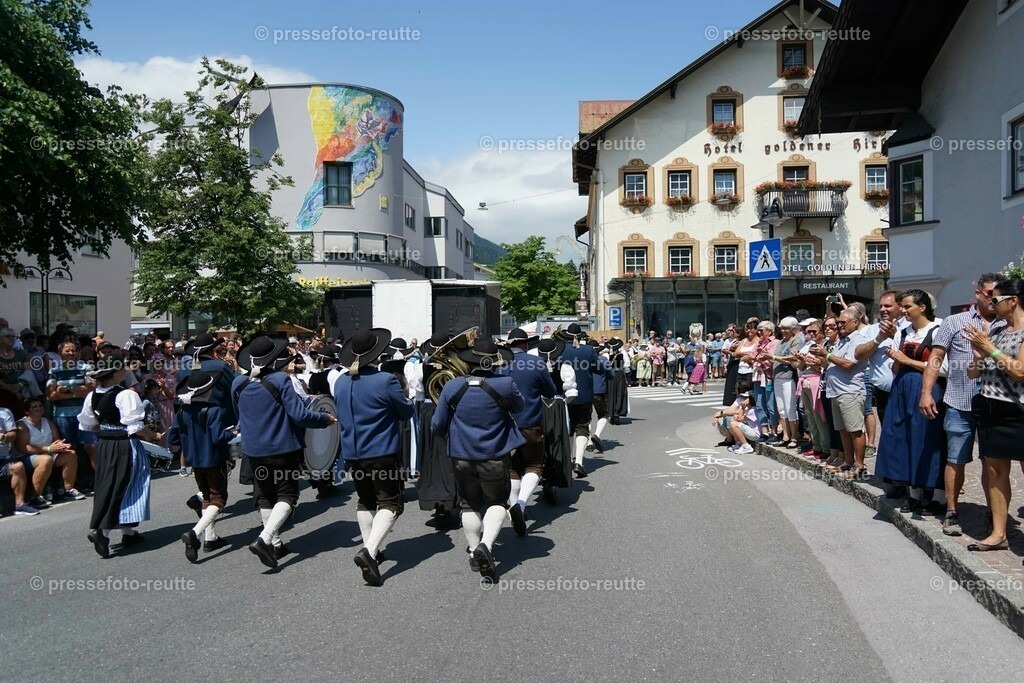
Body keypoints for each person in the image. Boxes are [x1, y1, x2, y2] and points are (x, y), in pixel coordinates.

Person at [232, 336, 337, 569]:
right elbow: (300, 415)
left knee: (265, 496)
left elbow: (238, 414)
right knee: (288, 496)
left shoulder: (237, 383)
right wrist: (324, 419)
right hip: (281, 448)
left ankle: (276, 545)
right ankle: (265, 539)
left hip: (253, 450)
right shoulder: (280, 380)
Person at [920, 274, 1006, 536]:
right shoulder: (955, 322)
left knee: (993, 463)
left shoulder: (1008, 323)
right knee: (956, 459)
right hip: (960, 401)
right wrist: (926, 392)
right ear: (978, 293)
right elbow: (936, 357)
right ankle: (952, 511)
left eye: (999, 295)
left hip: (996, 404)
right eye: (990, 294)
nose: (995, 299)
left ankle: (993, 515)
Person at [432, 338, 524, 580]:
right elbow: (520, 408)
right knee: (497, 502)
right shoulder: (506, 384)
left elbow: (437, 425)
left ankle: (474, 551)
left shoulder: (452, 386)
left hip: (461, 454)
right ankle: (486, 545)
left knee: (468, 504)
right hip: (495, 453)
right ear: (494, 362)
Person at [334, 328, 415, 586]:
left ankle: (373, 549)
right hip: (381, 452)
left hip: (353, 452)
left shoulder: (341, 381)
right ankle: (369, 551)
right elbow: (406, 412)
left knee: (366, 500)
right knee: (391, 503)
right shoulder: (385, 380)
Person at [78, 353, 164, 558]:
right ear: (116, 372)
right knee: (124, 485)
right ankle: (103, 531)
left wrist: (108, 428)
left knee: (112, 484)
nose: (126, 371)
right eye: (124, 368)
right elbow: (135, 427)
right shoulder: (126, 395)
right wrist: (153, 436)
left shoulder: (93, 395)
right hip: (124, 445)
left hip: (105, 445)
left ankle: (128, 532)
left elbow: (89, 424)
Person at [964, 278, 1024, 553]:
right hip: (991, 407)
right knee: (994, 471)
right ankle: (999, 533)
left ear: (1013, 301)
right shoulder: (996, 329)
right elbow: (973, 373)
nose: (991, 303)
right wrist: (978, 355)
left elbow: (1020, 372)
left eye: (996, 299)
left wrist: (989, 348)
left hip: (1017, 410)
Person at [874, 290, 947, 514]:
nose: (903, 311)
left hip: (928, 387)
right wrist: (896, 360)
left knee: (928, 438)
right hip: (902, 389)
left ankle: (938, 496)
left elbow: (943, 368)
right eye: (903, 307)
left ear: (922, 307)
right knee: (903, 437)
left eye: (907, 307)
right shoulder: (904, 332)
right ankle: (913, 493)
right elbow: (896, 368)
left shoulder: (938, 329)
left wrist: (907, 360)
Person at [169, 371, 236, 562]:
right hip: (214, 460)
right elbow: (218, 437)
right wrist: (231, 434)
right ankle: (195, 532)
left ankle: (210, 537)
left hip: (195, 462)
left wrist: (189, 439)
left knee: (207, 497)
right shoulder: (213, 411)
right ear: (207, 391)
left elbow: (173, 438)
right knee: (218, 499)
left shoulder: (182, 412)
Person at [499, 327, 556, 536]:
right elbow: (550, 392)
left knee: (513, 467)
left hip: (505, 425)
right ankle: (521, 505)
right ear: (525, 344)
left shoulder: (499, 364)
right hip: (531, 423)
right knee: (534, 465)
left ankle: (515, 506)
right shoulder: (536, 363)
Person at [810, 309, 869, 478]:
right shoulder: (842, 341)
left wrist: (827, 355)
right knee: (842, 430)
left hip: (850, 391)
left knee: (855, 430)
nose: (839, 325)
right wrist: (818, 360)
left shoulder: (858, 340)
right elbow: (831, 364)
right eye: (839, 322)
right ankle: (848, 462)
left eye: (843, 322)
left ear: (855, 322)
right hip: (835, 391)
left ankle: (859, 465)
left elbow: (848, 364)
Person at [16, 396, 84, 502]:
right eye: (34, 407)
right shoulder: (22, 425)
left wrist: (61, 446)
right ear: (27, 411)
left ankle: (69, 489)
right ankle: (36, 497)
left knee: (71, 454)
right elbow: (24, 448)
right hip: (28, 457)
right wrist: (48, 449)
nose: (38, 408)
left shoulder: (48, 422)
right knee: (45, 460)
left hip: (49, 452)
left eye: (40, 406)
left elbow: (56, 440)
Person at [558, 324, 601, 478]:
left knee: (568, 427)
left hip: (564, 395)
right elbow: (598, 368)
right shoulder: (588, 350)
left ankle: (569, 459)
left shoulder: (560, 350)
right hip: (584, 394)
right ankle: (579, 462)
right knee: (582, 427)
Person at [770, 317, 804, 448]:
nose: (783, 331)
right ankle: (785, 435)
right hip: (778, 377)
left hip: (789, 377)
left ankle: (794, 436)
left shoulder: (796, 341)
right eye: (782, 328)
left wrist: (773, 357)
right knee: (781, 409)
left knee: (790, 408)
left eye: (786, 328)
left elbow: (792, 358)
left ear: (793, 329)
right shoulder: (781, 342)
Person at [711, 380, 759, 454]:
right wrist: (719, 415)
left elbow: (739, 416)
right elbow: (731, 409)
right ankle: (736, 442)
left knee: (732, 422)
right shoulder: (741, 399)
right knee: (729, 418)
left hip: (754, 431)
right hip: (748, 426)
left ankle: (744, 445)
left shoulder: (751, 405)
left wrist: (742, 408)